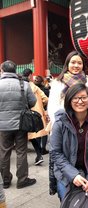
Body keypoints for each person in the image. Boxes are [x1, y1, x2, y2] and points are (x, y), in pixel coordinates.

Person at [49, 83, 88, 201]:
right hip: (65, 173)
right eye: (75, 98)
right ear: (69, 100)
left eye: (83, 97)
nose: (80, 101)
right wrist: (73, 175)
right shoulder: (60, 122)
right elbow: (55, 152)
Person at [0, 60, 37, 189]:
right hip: (21, 124)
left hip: (2, 126)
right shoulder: (24, 84)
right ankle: (22, 179)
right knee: (21, 151)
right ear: (15, 71)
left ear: (2, 70)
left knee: (4, 152)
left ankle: (5, 180)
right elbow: (33, 102)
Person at [47, 50, 88, 126]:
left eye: (79, 63)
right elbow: (52, 106)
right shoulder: (58, 82)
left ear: (83, 65)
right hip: (62, 122)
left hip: (83, 123)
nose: (76, 66)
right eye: (73, 62)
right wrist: (58, 124)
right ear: (67, 64)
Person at [22, 69, 49, 165]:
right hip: (35, 115)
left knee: (25, 137)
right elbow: (45, 99)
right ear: (30, 76)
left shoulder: (19, 86)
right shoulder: (35, 87)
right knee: (33, 135)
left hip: (23, 115)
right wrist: (41, 106)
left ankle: (36, 155)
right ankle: (39, 154)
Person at [33, 75, 50, 155]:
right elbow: (47, 100)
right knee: (44, 130)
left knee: (37, 130)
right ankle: (43, 148)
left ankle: (38, 149)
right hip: (44, 111)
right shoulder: (46, 90)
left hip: (34, 111)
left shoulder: (32, 89)